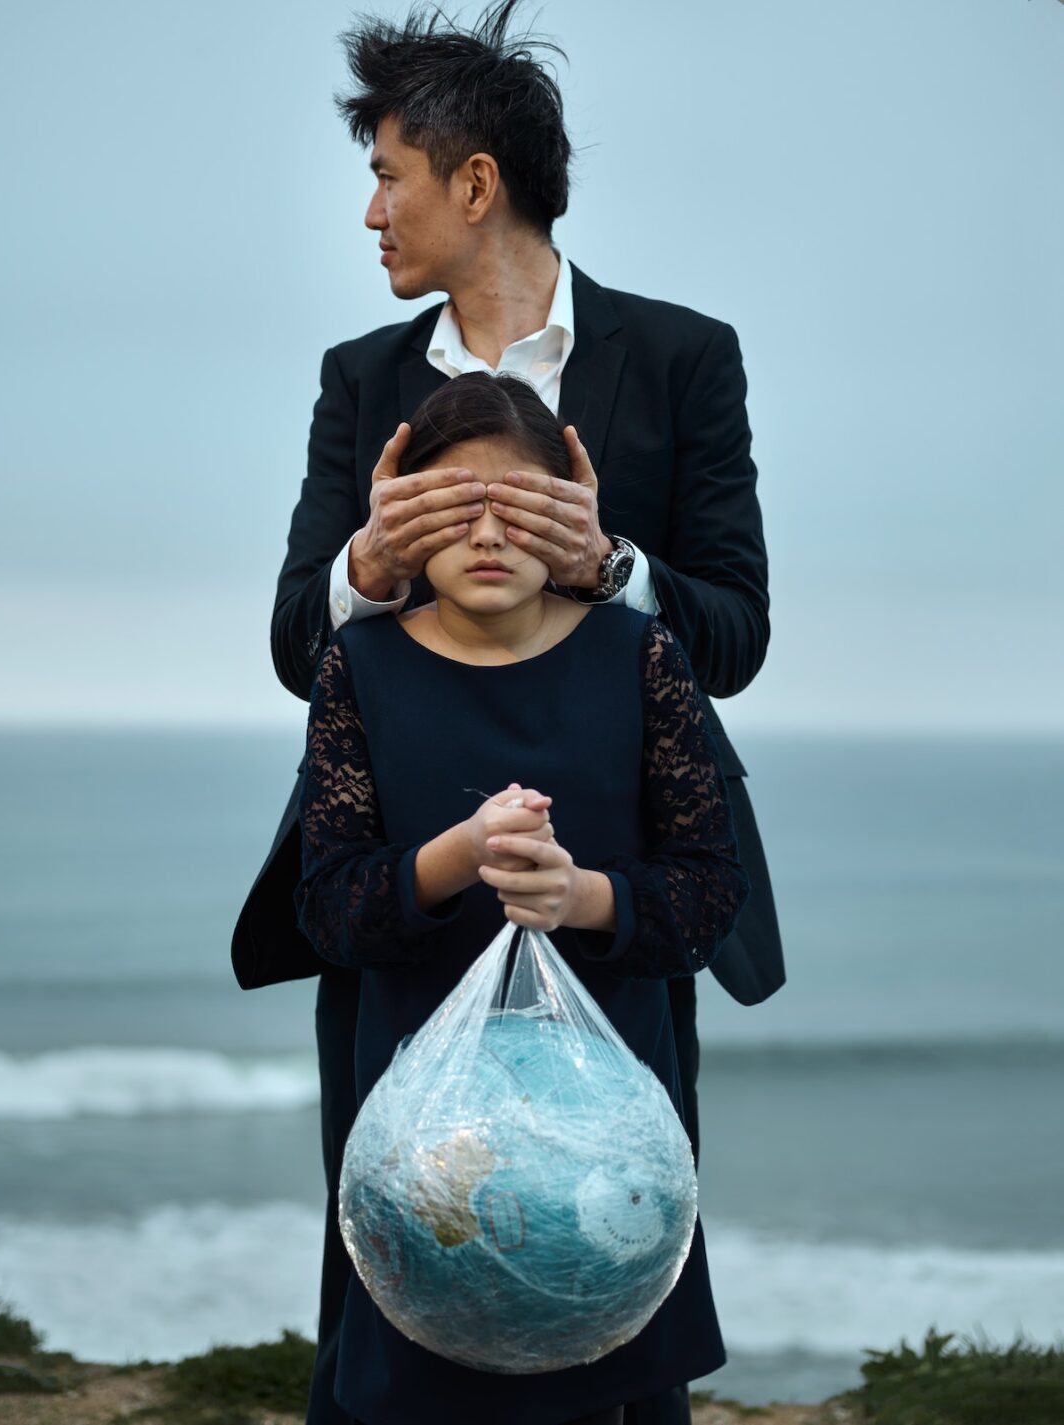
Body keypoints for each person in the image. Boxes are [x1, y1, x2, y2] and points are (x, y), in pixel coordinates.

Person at [230, 4, 784, 1421]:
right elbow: (303, 643)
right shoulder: (360, 382)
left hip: (615, 869)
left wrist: (609, 565)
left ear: (474, 183)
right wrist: (369, 561)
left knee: (620, 1215)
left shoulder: (679, 358)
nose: (371, 212)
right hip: (399, 858)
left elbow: (735, 635)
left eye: (390, 175)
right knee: (393, 1227)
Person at [298, 371, 749, 1425]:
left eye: (522, 503)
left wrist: (584, 894)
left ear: (574, 508)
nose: (489, 532)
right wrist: (455, 857)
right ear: (400, 513)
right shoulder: (356, 667)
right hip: (428, 1125)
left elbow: (707, 892)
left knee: (604, 1363)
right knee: (422, 1369)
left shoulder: (641, 656)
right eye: (456, 504)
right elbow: (329, 907)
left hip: (603, 1122)